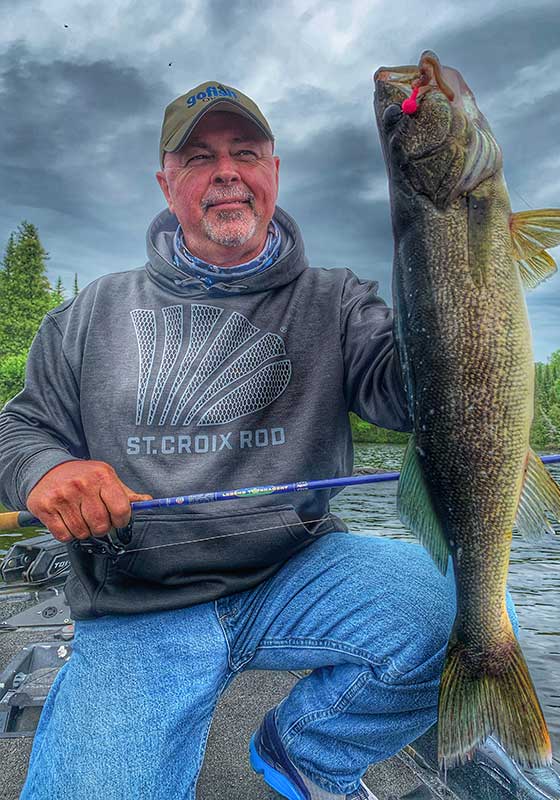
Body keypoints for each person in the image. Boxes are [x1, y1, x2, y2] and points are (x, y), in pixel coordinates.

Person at [0, 81, 519, 800]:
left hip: (299, 571)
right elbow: (20, 426)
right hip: (139, 606)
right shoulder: (93, 312)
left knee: (469, 612)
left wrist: (458, 272)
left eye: (246, 152)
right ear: (166, 181)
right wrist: (45, 470)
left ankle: (308, 750)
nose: (226, 172)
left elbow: (411, 398)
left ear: (273, 170)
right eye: (198, 157)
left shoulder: (336, 300)